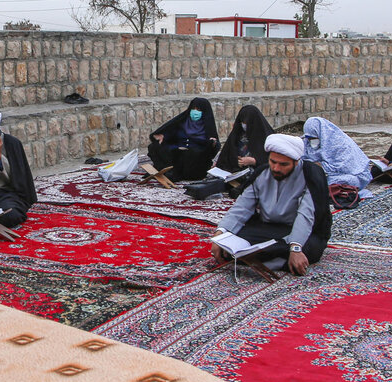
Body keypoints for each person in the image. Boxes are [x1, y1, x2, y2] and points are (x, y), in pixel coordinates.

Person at [212, 134, 331, 276]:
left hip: (298, 230)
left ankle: (269, 258)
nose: (276, 168)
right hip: (267, 228)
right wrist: (221, 234)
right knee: (229, 243)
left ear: (297, 162)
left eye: (283, 164)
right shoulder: (262, 173)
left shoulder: (310, 175)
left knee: (309, 248)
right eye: (273, 162)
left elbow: (306, 215)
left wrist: (296, 248)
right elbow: (242, 206)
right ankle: (275, 260)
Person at [148, 97, 221, 180]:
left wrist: (212, 143)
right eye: (193, 108)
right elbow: (173, 132)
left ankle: (178, 174)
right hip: (177, 150)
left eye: (198, 109)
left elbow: (213, 146)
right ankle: (167, 171)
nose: (195, 112)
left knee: (192, 153)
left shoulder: (207, 126)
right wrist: (164, 136)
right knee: (154, 146)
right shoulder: (184, 121)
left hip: (194, 156)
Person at [302, 116, 373, 195]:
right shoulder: (307, 142)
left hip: (348, 174)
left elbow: (346, 166)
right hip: (322, 174)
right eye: (309, 138)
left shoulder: (340, 143)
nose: (311, 140)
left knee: (349, 180)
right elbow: (304, 158)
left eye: (313, 137)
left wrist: (322, 166)